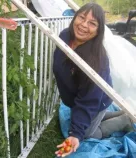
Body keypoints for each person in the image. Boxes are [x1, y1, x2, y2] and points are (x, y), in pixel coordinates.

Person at [53, 2, 135, 157]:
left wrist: (76, 133)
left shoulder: (95, 62)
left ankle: (124, 120)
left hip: (98, 99)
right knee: (91, 119)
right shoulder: (65, 36)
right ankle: (112, 116)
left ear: (98, 30)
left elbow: (89, 100)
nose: (84, 25)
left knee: (88, 134)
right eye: (82, 17)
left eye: (92, 23)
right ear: (74, 17)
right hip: (83, 97)